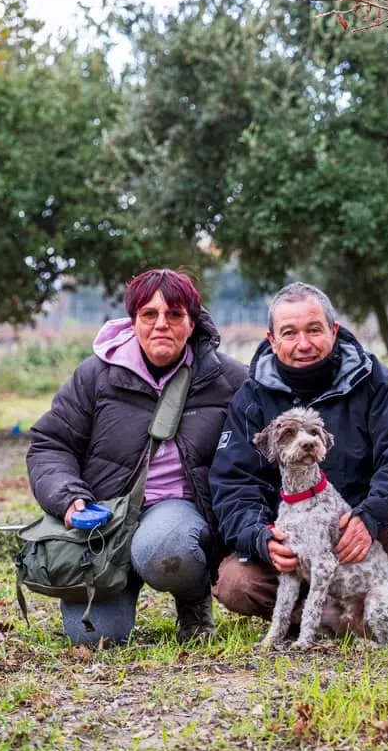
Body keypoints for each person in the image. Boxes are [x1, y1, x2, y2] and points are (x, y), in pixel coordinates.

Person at [209, 281, 388, 632]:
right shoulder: (251, 399)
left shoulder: (373, 379)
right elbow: (234, 484)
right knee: (235, 583)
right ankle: (327, 617)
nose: (303, 344)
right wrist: (261, 537)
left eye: (314, 330)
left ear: (333, 331)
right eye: (289, 333)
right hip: (297, 549)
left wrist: (371, 515)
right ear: (272, 340)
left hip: (364, 538)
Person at [27, 269, 247, 645]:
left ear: (192, 323)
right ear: (134, 322)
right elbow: (51, 443)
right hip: (105, 518)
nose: (161, 324)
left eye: (174, 315)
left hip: (176, 514)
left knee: (165, 548)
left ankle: (193, 601)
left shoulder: (229, 379)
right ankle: (114, 585)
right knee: (93, 637)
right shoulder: (95, 375)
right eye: (149, 314)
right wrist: (69, 498)